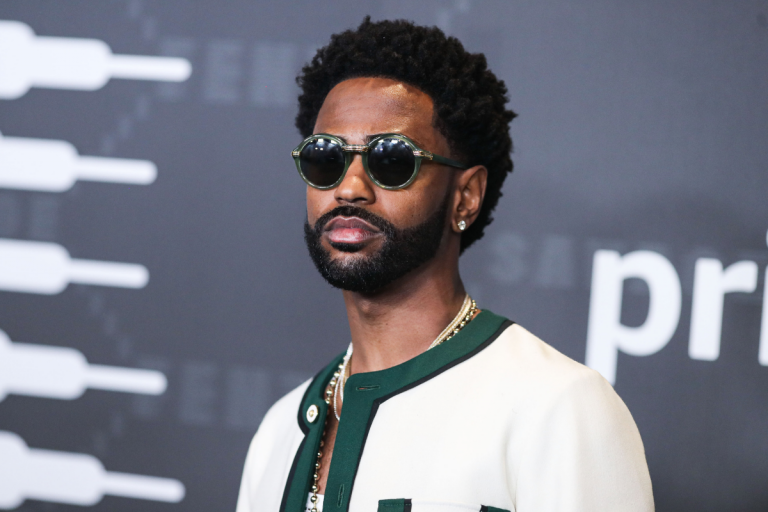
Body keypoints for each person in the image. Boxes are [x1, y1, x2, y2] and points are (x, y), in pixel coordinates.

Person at [236, 17, 654, 512]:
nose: (349, 188)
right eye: (325, 158)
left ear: (466, 197)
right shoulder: (278, 432)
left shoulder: (558, 407)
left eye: (392, 160)